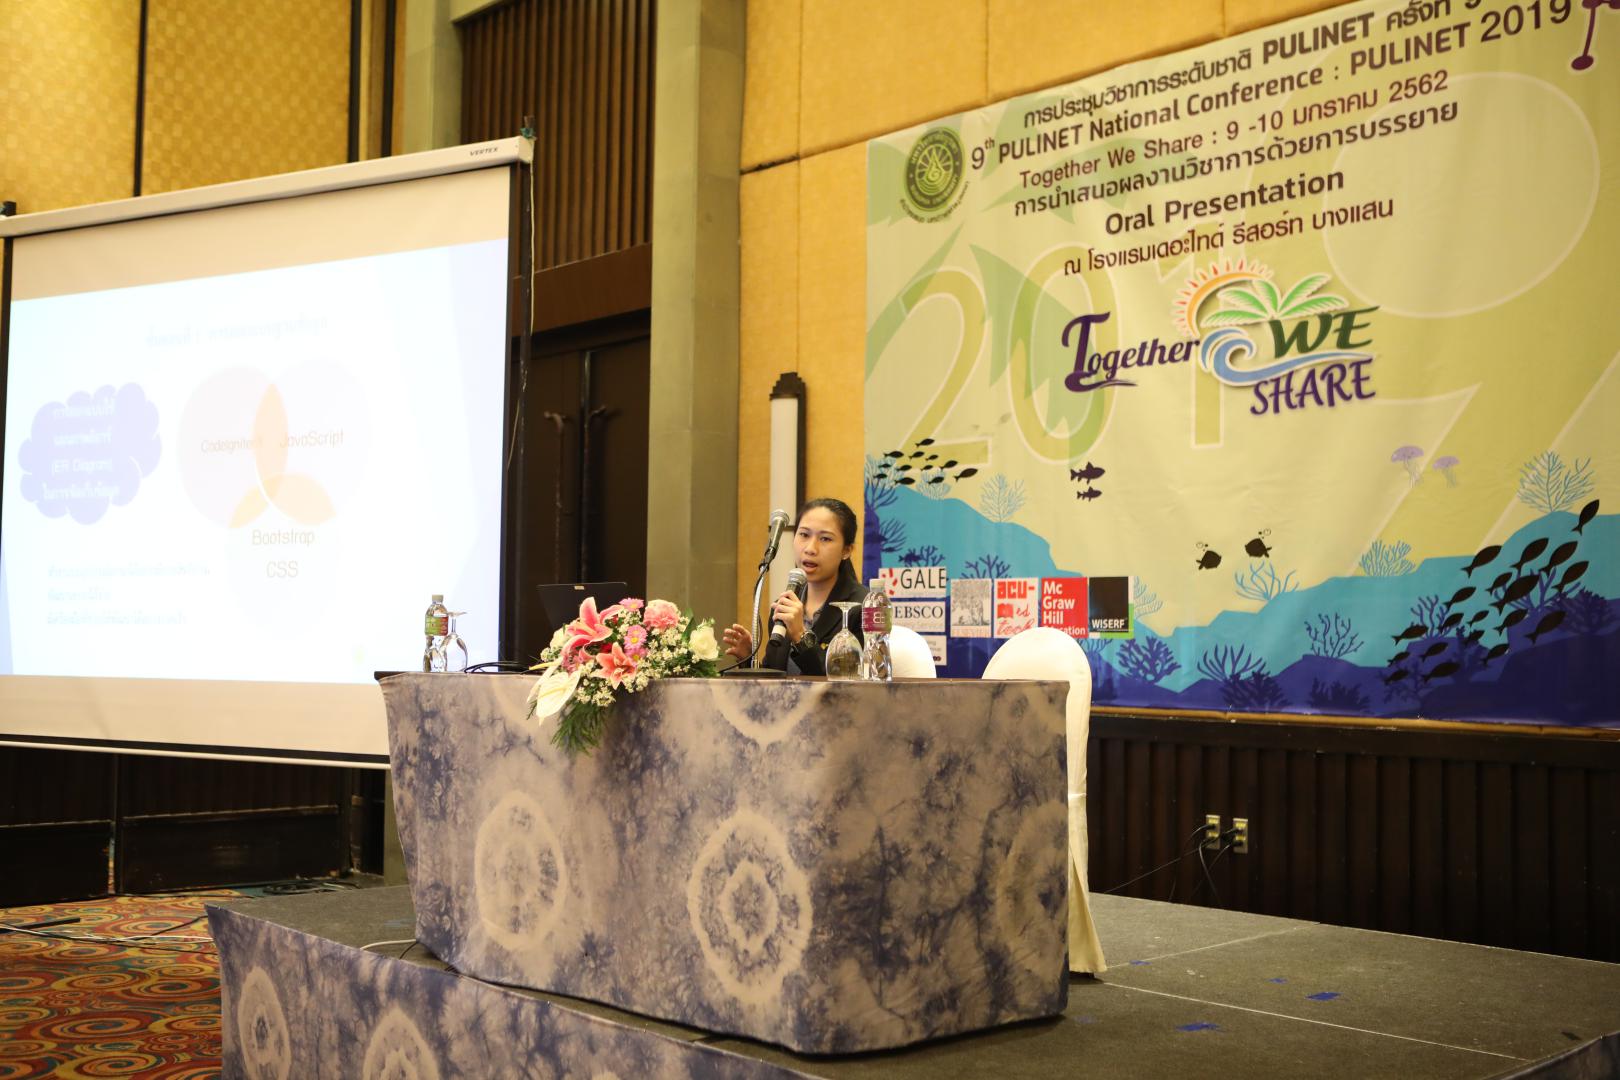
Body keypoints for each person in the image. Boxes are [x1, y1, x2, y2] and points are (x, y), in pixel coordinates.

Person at [722, 498, 867, 675]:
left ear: (846, 550)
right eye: (804, 535)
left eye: (825, 539)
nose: (810, 549)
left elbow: (845, 681)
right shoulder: (783, 607)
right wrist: (748, 659)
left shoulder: (862, 607)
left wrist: (800, 636)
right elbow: (775, 681)